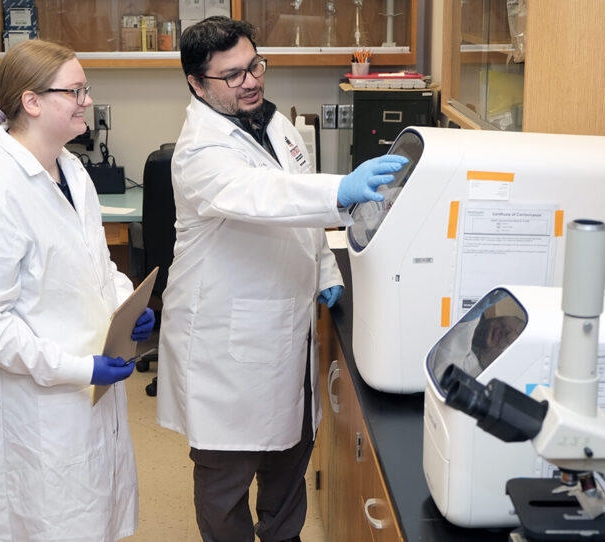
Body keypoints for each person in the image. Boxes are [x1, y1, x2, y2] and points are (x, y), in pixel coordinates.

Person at [156, 16, 408, 542]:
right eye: (232, 76)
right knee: (226, 477)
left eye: (254, 66)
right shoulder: (200, 152)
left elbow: (298, 211)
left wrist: (322, 268)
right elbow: (263, 198)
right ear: (196, 84)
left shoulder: (274, 124)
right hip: (226, 341)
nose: (250, 81)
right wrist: (341, 189)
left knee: (289, 458)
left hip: (287, 322)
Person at [0, 39, 154, 542]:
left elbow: (96, 263)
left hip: (85, 393)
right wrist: (78, 367)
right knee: (43, 525)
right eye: (75, 91)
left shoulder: (71, 169)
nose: (87, 101)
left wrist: (125, 303)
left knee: (88, 518)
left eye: (86, 89)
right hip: (31, 407)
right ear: (32, 102)